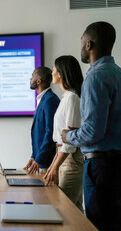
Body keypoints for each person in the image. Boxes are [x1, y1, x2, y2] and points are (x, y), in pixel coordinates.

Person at [62, 21, 121, 230]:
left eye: (82, 41)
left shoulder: (95, 77)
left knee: (101, 225)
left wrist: (69, 136)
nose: (81, 46)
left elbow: (93, 131)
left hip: (104, 167)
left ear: (89, 44)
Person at [43, 55, 84, 212]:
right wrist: (53, 166)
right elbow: (60, 143)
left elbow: (69, 142)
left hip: (71, 160)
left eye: (53, 69)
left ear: (61, 73)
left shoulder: (72, 98)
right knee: (75, 210)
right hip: (63, 157)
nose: (52, 73)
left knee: (63, 211)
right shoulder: (66, 97)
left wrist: (55, 167)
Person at [24, 67, 60, 174]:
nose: (30, 79)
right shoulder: (43, 99)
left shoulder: (50, 100)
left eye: (32, 76)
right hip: (41, 162)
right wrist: (34, 156)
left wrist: (39, 158)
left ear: (38, 81)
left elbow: (50, 133)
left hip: (47, 164)